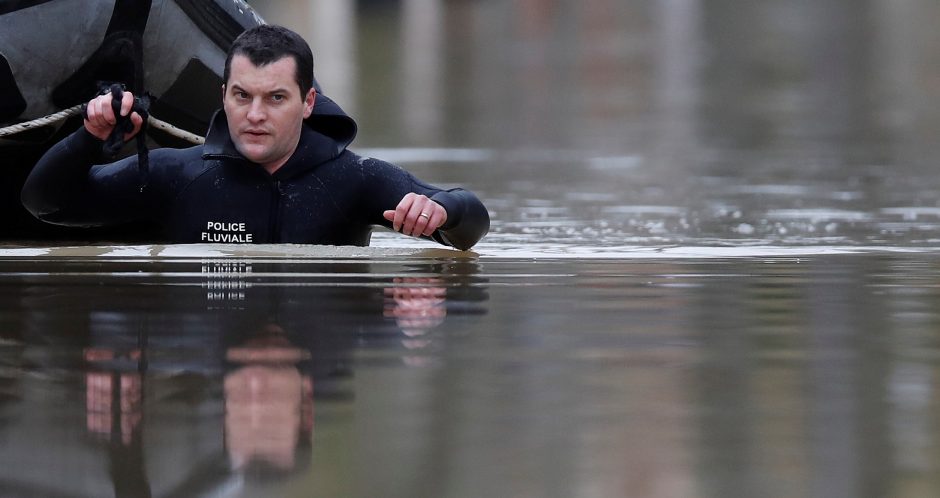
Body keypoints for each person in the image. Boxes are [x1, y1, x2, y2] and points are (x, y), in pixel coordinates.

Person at [21, 25, 489, 250]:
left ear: (308, 102)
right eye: (242, 96)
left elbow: (471, 224)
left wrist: (440, 212)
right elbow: (48, 204)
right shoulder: (177, 174)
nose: (255, 115)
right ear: (223, 94)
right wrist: (88, 135)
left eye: (276, 99)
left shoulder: (355, 179)